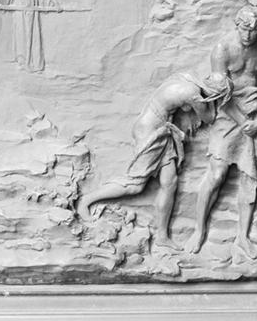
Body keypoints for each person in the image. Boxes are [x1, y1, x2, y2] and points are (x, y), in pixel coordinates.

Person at [76, 72, 233, 251]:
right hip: (150, 132)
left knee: (170, 182)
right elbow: (209, 118)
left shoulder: (188, 78)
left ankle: (162, 236)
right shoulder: (193, 94)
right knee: (135, 185)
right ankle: (87, 200)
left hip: (162, 130)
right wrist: (217, 102)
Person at [183, 5, 257, 260]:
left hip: (253, 112)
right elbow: (220, 94)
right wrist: (244, 121)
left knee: (250, 177)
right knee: (217, 173)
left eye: (253, 30)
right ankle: (199, 230)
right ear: (237, 25)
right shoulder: (222, 49)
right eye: (244, 29)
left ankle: (242, 238)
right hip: (228, 112)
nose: (248, 35)